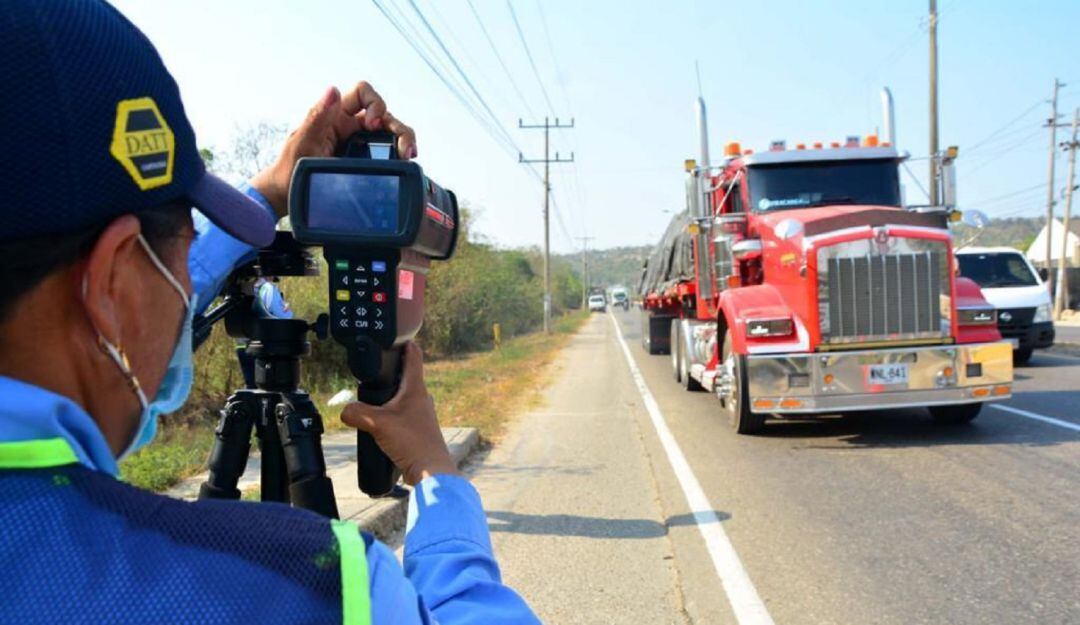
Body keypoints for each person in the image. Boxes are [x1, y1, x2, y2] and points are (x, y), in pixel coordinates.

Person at [0, 1, 539, 623]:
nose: (189, 282)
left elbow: (111, 313)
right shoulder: (297, 589)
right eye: (181, 245)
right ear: (112, 284)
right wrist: (440, 481)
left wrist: (270, 193)